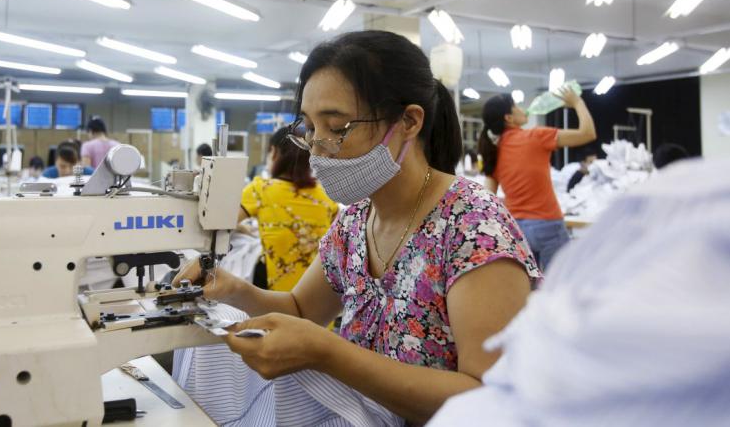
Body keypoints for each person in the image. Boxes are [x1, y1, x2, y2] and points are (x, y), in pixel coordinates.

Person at [175, 30, 541, 424]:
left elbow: (488, 398)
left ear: (409, 121)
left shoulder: (474, 227)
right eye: (310, 130)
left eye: (337, 128)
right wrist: (234, 290)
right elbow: (301, 309)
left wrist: (329, 353)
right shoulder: (355, 220)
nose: (317, 149)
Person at [427, 157, 730, 427]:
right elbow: (586, 131)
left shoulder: (495, 156)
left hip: (524, 225)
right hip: (544, 224)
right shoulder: (533, 142)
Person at [478, 91, 596, 270]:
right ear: (509, 118)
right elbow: (587, 133)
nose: (522, 109)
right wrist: (577, 102)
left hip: (517, 229)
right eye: (516, 106)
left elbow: (488, 199)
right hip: (548, 224)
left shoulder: (493, 152)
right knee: (558, 288)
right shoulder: (537, 136)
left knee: (527, 292)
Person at [238, 126, 339, 291]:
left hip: (277, 301)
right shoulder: (327, 197)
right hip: (318, 302)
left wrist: (244, 229)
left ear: (274, 152)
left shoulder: (260, 190)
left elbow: (223, 223)